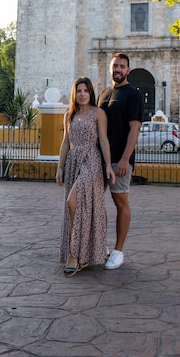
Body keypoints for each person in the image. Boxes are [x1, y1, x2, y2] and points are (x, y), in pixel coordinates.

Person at [56, 76, 116, 276]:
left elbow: (104, 141)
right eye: (79, 91)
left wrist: (108, 166)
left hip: (91, 160)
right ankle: (79, 253)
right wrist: (59, 167)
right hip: (73, 161)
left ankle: (75, 252)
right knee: (76, 205)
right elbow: (66, 142)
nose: (82, 94)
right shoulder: (69, 115)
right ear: (75, 93)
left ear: (91, 93)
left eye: (86, 91)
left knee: (73, 202)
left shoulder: (98, 113)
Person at [98, 53, 144, 270]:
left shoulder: (132, 94)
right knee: (96, 204)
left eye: (122, 66)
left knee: (120, 202)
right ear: (110, 68)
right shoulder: (104, 94)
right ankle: (101, 247)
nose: (118, 69)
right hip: (100, 159)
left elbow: (135, 127)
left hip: (120, 160)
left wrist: (126, 158)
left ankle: (118, 251)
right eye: (115, 66)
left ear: (128, 69)